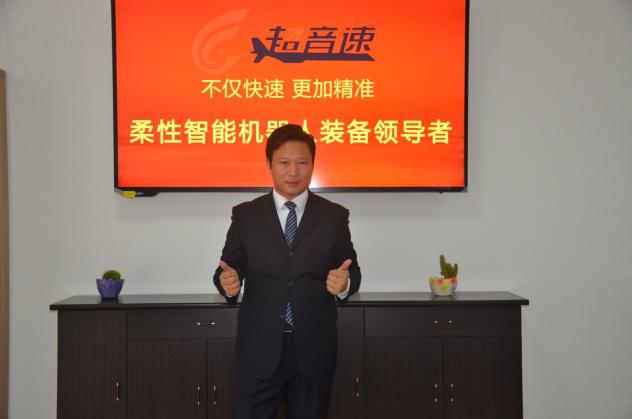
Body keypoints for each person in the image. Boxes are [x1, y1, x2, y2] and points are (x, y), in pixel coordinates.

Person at [212, 123, 361, 419]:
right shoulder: (246, 215)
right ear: (269, 164)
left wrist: (344, 284)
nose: (293, 172)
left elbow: (351, 270)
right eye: (284, 163)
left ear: (312, 165)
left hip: (313, 347)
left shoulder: (333, 215)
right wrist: (226, 283)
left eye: (302, 163)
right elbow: (228, 268)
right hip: (259, 347)